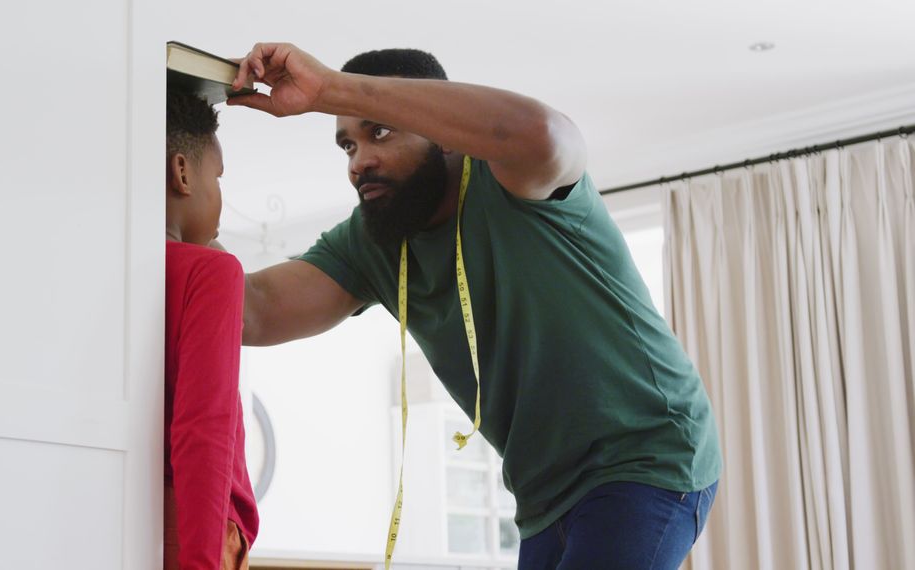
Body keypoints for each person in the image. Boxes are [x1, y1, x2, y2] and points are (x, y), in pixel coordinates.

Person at [227, 43, 721, 569]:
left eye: (381, 131)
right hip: (543, 496)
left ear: (438, 126)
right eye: (347, 145)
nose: (360, 161)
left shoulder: (513, 177)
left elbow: (545, 133)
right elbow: (251, 310)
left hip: (644, 455)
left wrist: (330, 89)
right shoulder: (372, 242)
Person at [164, 81, 258, 569]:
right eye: (217, 177)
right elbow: (205, 427)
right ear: (182, 171)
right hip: (195, 531)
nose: (221, 195)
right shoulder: (212, 271)